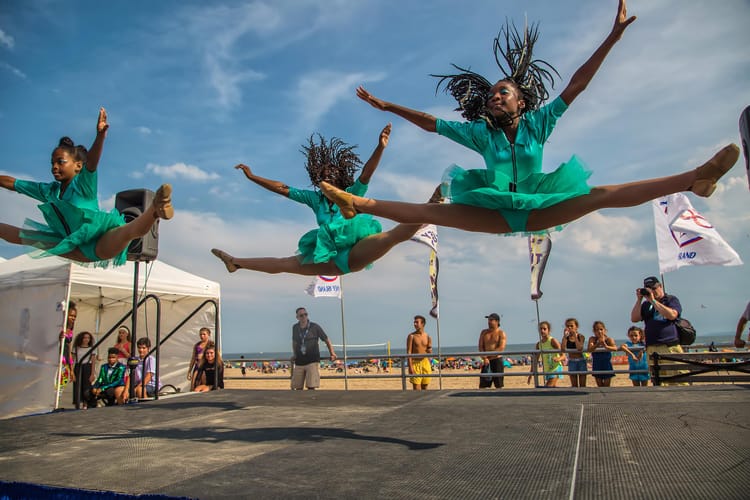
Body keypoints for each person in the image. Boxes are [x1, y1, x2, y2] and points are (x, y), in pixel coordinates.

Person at [319, 0, 739, 238]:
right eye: (491, 95)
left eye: (503, 92)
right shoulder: (481, 135)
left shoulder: (539, 123)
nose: (494, 97)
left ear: (522, 102)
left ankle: (696, 177)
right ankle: (356, 202)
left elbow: (576, 86)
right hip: (493, 210)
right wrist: (389, 106)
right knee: (430, 212)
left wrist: (612, 37)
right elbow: (433, 123)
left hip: (542, 205)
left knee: (603, 193)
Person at [211, 125, 435, 276]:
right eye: (322, 176)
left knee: (392, 236)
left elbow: (366, 173)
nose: (326, 177)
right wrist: (252, 177)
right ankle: (236, 262)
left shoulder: (352, 191)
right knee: (284, 264)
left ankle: (431, 208)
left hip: (356, 249)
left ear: (339, 178)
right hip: (330, 258)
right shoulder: (315, 198)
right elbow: (283, 188)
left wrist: (380, 147)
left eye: (330, 175)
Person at [0, 108, 174, 268]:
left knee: (128, 231)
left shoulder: (83, 184)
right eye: (52, 163)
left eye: (60, 162)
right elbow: (13, 183)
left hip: (97, 242)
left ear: (78, 166)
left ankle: (155, 209)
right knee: (23, 236)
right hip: (68, 244)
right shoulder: (48, 191)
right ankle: (156, 208)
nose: (54, 167)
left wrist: (100, 137)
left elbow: (92, 163)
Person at [630, 275, 684, 385]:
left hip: (669, 346)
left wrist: (654, 301)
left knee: (677, 379)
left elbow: (672, 315)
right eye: (649, 289)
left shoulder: (670, 300)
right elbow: (634, 318)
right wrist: (639, 300)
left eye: (654, 288)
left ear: (660, 286)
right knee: (659, 381)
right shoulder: (646, 305)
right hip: (652, 347)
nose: (652, 291)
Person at [291, 307, 336, 390]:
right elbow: (294, 342)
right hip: (299, 361)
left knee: (311, 386)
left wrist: (332, 353)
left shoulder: (315, 327)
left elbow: (326, 339)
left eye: (305, 314)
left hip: (312, 361)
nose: (304, 317)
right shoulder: (295, 327)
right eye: (301, 315)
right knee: (296, 387)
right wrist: (294, 354)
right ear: (297, 317)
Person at [530, 321, 564, 387]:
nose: (542, 331)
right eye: (540, 329)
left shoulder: (553, 341)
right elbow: (535, 360)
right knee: (552, 390)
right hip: (547, 370)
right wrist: (531, 372)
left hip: (555, 368)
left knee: (548, 387)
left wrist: (558, 358)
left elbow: (563, 356)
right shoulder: (539, 344)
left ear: (549, 330)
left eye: (544, 329)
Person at [478, 313, 506, 389]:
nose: (489, 322)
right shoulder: (484, 332)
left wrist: (489, 357)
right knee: (483, 385)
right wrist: (484, 358)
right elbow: (480, 346)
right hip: (486, 360)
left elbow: (501, 348)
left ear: (497, 321)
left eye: (491, 320)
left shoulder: (501, 333)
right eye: (488, 320)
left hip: (497, 360)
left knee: (499, 385)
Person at [406, 315, 433, 390]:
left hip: (425, 362)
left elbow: (429, 351)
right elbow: (408, 352)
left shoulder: (428, 336)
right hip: (415, 363)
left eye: (417, 322)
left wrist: (429, 350)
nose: (415, 324)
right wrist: (410, 366)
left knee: (425, 387)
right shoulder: (411, 336)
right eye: (414, 322)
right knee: (417, 389)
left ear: (423, 324)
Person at [588, 321, 617, 387]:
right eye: (596, 330)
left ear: (605, 330)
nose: (599, 331)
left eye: (601, 329)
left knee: (607, 385)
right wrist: (598, 343)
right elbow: (589, 349)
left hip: (606, 363)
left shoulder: (609, 339)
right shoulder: (592, 339)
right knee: (599, 385)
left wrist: (606, 346)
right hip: (596, 364)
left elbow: (615, 348)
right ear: (594, 331)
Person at [72, 331, 97, 408]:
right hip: (78, 367)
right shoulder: (76, 348)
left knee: (86, 386)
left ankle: (85, 404)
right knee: (77, 386)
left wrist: (92, 374)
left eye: (88, 338)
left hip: (87, 367)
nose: (86, 339)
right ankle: (77, 403)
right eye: (85, 338)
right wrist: (71, 372)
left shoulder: (92, 349)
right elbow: (72, 360)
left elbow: (93, 362)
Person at [561, 318, 587, 387]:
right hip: (572, 361)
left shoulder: (581, 336)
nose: (569, 328)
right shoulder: (566, 338)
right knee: (574, 385)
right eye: (568, 326)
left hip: (581, 361)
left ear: (576, 327)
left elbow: (579, 348)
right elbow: (563, 349)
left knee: (583, 385)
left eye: (571, 326)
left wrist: (575, 336)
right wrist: (564, 337)